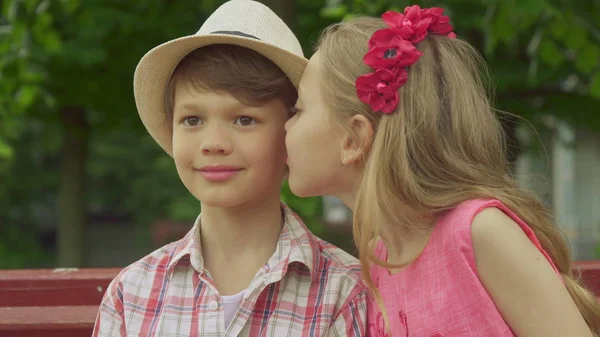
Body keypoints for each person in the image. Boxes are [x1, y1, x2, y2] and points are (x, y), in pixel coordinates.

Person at [284, 5, 600, 337]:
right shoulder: (380, 255)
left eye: (299, 110)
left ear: (353, 139)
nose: (285, 126)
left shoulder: (478, 232)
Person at [92, 1, 367, 336]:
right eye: (192, 120)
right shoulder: (131, 294)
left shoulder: (345, 292)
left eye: (244, 119)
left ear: (291, 131)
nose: (214, 143)